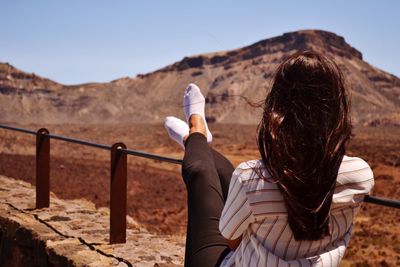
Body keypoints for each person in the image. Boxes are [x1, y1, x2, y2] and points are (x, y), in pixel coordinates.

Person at [164, 50, 374, 267]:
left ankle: (195, 132)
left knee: (200, 174)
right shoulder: (361, 175)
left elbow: (232, 241)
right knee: (228, 171)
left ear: (277, 108)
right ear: (337, 110)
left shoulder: (252, 176)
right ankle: (197, 140)